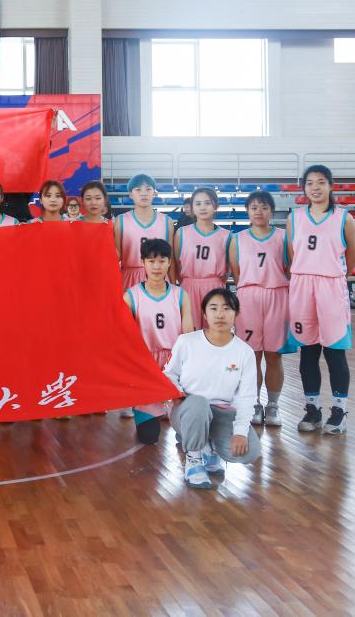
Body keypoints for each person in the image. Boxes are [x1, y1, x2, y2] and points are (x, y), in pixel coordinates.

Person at [165, 288, 262, 490]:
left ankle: (210, 447)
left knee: (250, 452)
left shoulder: (244, 352)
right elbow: (169, 374)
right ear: (204, 313)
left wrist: (240, 432)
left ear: (236, 314)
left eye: (227, 309)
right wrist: (177, 394)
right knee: (198, 404)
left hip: (222, 413)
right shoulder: (187, 342)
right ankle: (193, 459)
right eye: (214, 308)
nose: (220, 314)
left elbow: (246, 397)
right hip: (188, 409)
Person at [286, 164, 355, 435]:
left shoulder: (344, 218)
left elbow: (352, 259)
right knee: (308, 350)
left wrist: (330, 275)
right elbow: (293, 254)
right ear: (304, 188)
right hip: (302, 285)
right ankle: (312, 409)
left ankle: (339, 412)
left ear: (330, 185)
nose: (315, 187)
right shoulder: (295, 218)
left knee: (335, 350)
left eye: (320, 182)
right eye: (309, 183)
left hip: (330, 285)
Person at [123, 238, 194, 444]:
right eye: (151, 261)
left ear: (169, 263)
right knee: (148, 437)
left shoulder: (180, 295)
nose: (157, 267)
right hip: (145, 367)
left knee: (188, 434)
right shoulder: (131, 296)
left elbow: (188, 334)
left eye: (162, 261)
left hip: (175, 364)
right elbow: (125, 339)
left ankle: (179, 417)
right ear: (142, 262)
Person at [229, 191, 289, 427]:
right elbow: (236, 272)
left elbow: (289, 268)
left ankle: (273, 405)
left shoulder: (283, 237)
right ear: (247, 211)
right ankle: (253, 403)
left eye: (264, 207)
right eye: (254, 207)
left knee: (274, 355)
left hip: (277, 295)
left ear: (271, 211)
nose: (259, 212)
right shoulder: (238, 239)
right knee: (251, 355)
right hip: (249, 298)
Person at [174, 187, 230, 330]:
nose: (203, 207)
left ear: (215, 205)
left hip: (215, 288)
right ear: (192, 207)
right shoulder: (181, 233)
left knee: (215, 333)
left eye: (207, 203)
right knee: (190, 334)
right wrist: (187, 281)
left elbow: (229, 268)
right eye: (198, 203)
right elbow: (175, 265)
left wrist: (215, 281)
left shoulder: (227, 236)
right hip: (188, 287)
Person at [114, 174, 174, 291]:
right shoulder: (121, 220)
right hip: (129, 277)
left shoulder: (167, 221)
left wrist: (173, 285)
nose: (143, 193)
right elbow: (116, 256)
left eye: (148, 189)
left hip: (159, 277)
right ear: (130, 194)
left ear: (154, 193)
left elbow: (171, 259)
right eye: (138, 189)